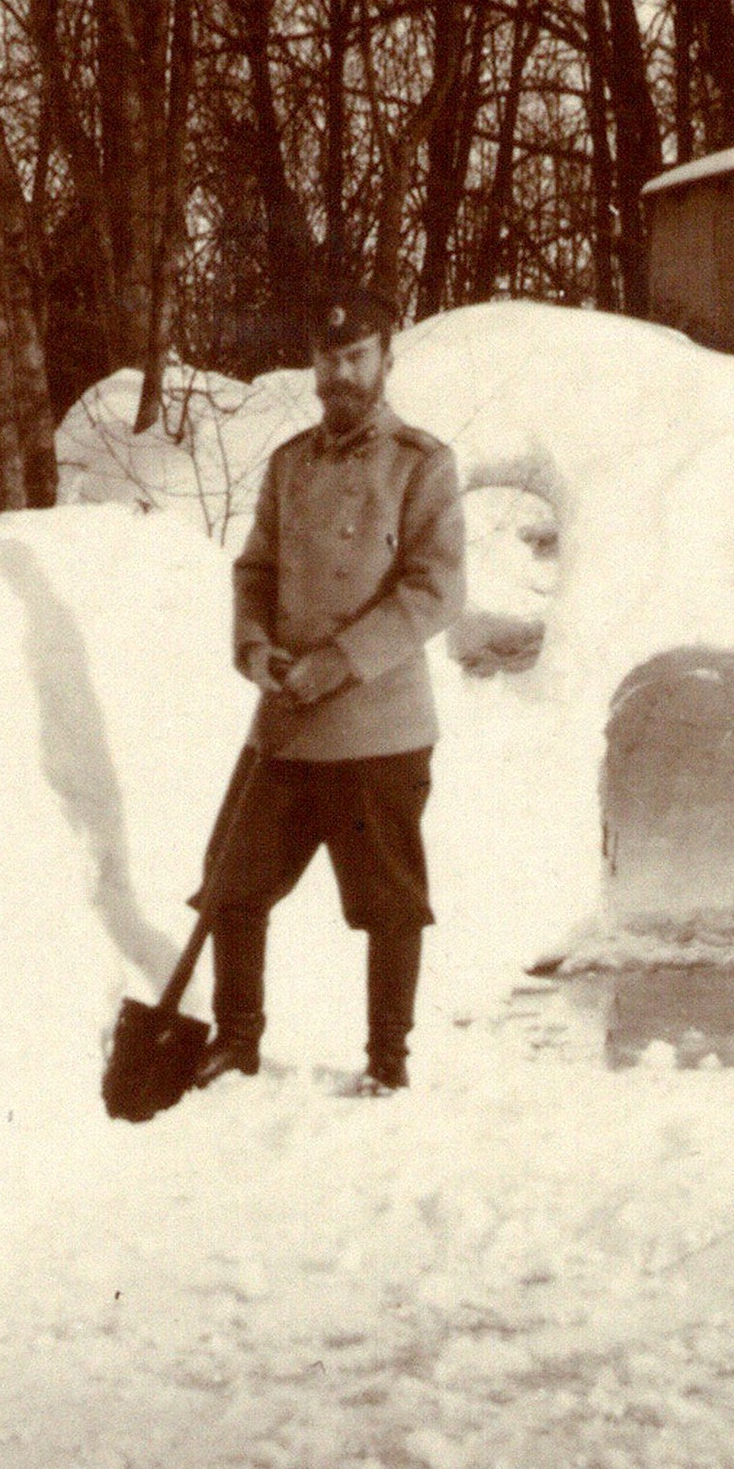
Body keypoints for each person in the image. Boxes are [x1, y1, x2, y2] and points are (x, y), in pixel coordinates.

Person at [194, 288, 466, 1093]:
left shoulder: (422, 463)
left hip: (378, 728)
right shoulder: (288, 465)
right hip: (284, 724)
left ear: (386, 360)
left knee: (389, 904)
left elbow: (435, 590)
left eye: (356, 357)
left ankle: (388, 1062)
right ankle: (235, 1043)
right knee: (230, 886)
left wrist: (339, 661)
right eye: (327, 358)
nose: (339, 373)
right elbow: (256, 573)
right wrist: (257, 650)